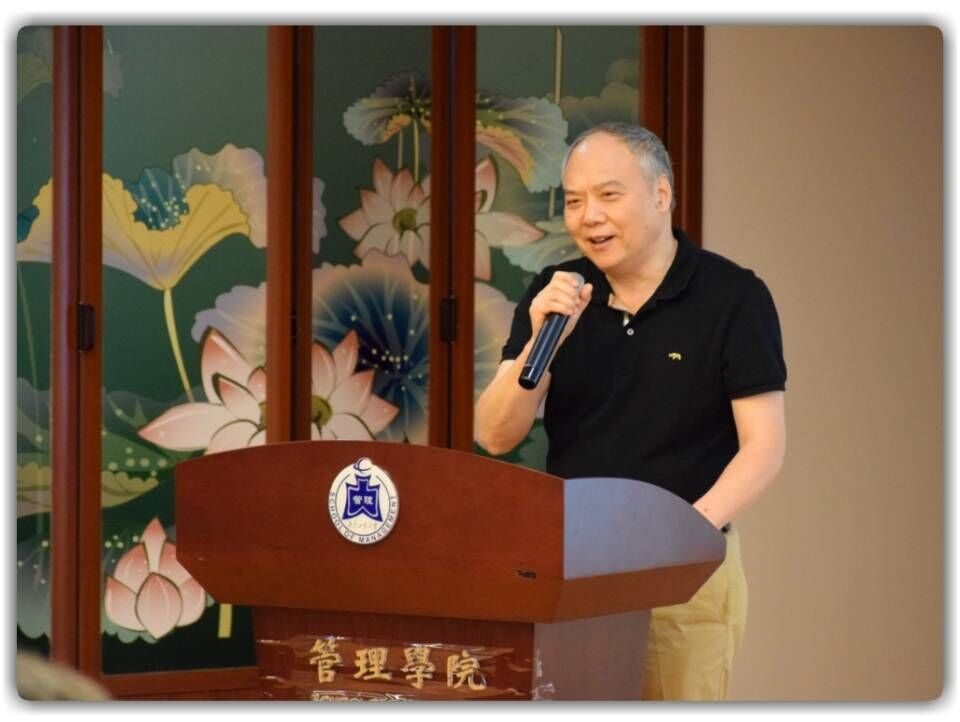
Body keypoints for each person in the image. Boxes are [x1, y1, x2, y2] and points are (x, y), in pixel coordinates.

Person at [474, 122, 787, 701]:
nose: (588, 216)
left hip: (682, 569)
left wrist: (680, 538)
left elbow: (764, 447)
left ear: (661, 194)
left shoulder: (733, 297)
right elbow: (494, 433)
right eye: (574, 201)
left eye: (608, 195)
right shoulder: (557, 294)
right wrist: (542, 340)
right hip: (575, 567)